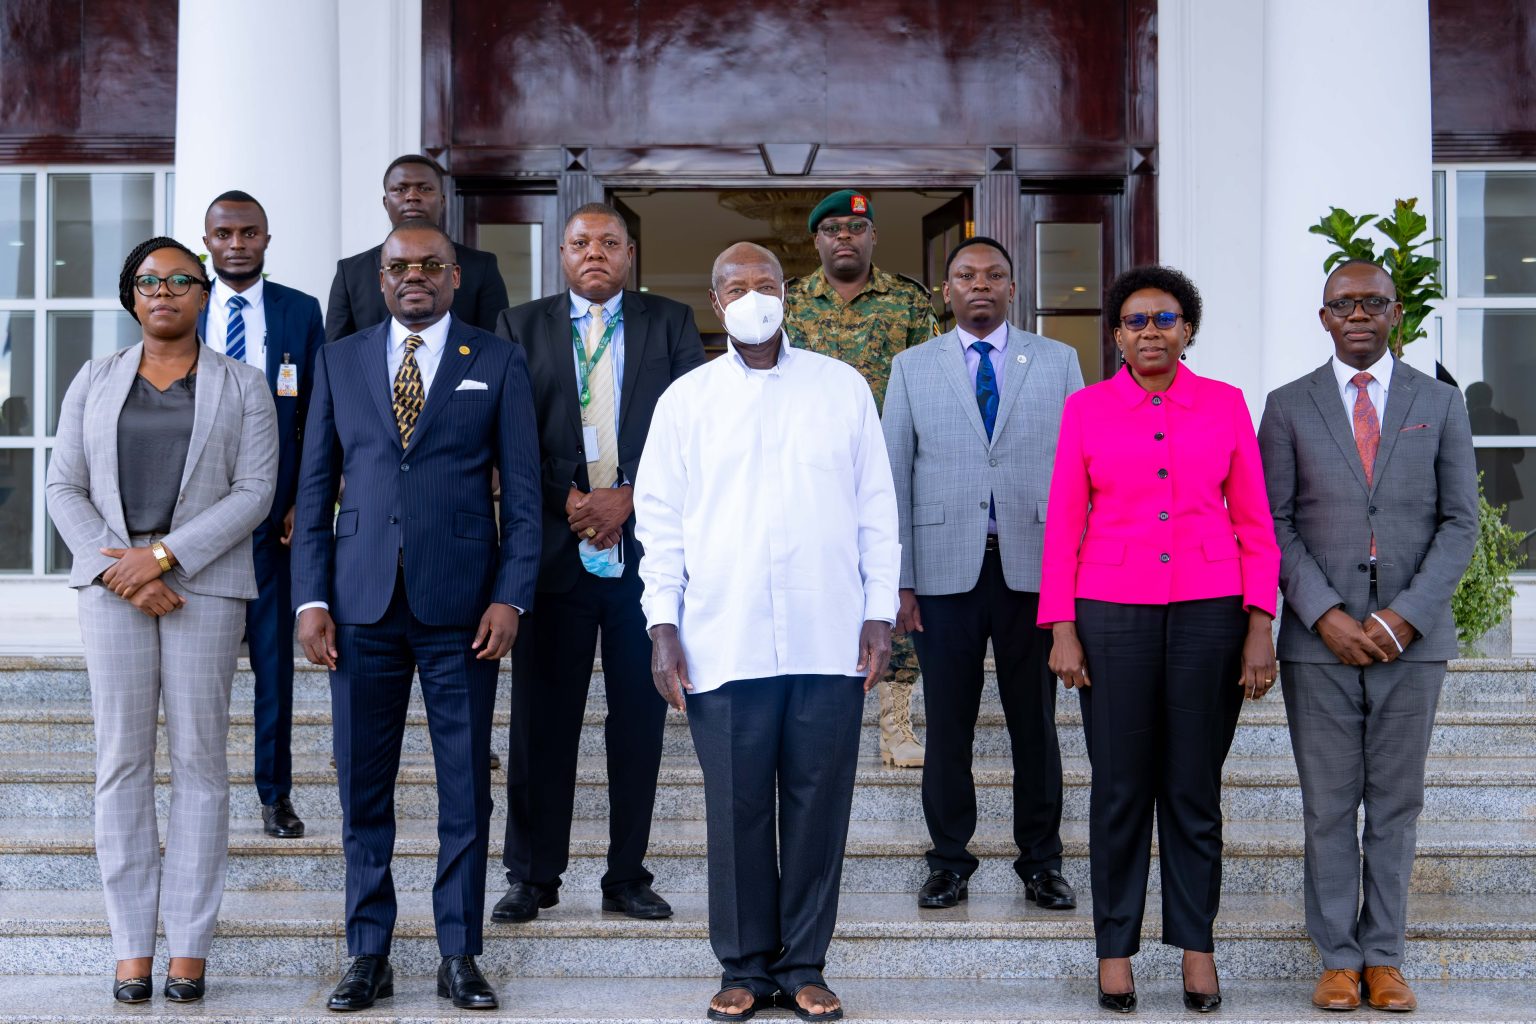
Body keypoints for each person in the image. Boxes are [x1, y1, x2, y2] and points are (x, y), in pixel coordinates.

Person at [634, 242, 899, 1023]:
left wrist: (878, 610)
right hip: (725, 637)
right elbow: (661, 523)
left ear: (789, 295)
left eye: (767, 283)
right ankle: (745, 966)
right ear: (715, 304)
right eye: (736, 285)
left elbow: (874, 507)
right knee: (738, 807)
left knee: (819, 805)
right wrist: (662, 624)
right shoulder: (686, 400)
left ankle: (805, 964)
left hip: (829, 637)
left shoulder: (840, 387)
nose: (754, 295)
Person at [291, 221, 541, 1012]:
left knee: (466, 791)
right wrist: (312, 597)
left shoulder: (495, 359)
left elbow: (527, 499)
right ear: (380, 276)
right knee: (364, 788)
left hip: (463, 610)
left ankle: (459, 953)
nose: (415, 277)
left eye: (431, 265)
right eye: (400, 266)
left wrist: (512, 594)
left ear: (456, 275)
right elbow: (314, 489)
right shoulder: (340, 359)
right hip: (361, 608)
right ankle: (368, 952)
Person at [1040, 265, 1280, 1013]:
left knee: (1192, 791)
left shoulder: (1226, 405)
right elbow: (1064, 524)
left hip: (1211, 613)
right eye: (1136, 320)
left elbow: (1254, 523)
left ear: (1188, 329)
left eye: (1165, 318)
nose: (1151, 331)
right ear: (1115, 334)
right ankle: (1115, 950)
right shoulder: (1086, 409)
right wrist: (1062, 630)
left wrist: (1259, 627)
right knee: (1118, 791)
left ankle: (1197, 949)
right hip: (1111, 614)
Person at [45, 236, 277, 1004]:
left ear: (205, 294)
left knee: (202, 769)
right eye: (151, 282)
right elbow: (62, 487)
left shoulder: (243, 385)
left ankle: (190, 948)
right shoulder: (94, 378)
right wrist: (124, 569)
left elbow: (254, 493)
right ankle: (131, 947)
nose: (166, 292)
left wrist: (165, 557)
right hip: (114, 592)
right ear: (131, 296)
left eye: (183, 280)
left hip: (203, 589)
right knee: (121, 765)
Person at [1258, 259, 1478, 1013]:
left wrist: (1403, 616)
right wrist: (1324, 613)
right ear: (1323, 317)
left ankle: (1384, 956)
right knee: (1327, 805)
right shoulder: (1286, 407)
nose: (1357, 314)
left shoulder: (1440, 403)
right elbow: (1272, 523)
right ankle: (1337, 959)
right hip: (1320, 640)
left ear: (1395, 313)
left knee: (1395, 804)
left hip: (1412, 642)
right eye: (1342, 304)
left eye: (1372, 303)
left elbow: (1460, 523)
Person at [490, 202, 705, 924]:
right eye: (581, 243)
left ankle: (627, 876)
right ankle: (532, 875)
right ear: (561, 254)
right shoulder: (520, 327)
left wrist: (626, 498)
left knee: (638, 724)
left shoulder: (669, 323)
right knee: (541, 724)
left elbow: (690, 432)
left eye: (609, 243)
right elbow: (508, 438)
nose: (595, 253)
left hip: (644, 560)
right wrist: (573, 500)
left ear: (630, 253)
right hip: (553, 554)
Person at [882, 235, 1083, 914]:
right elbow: (892, 478)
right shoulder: (912, 367)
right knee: (948, 725)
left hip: (1036, 567)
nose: (980, 285)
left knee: (1036, 725)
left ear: (1012, 289)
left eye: (994, 275)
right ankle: (948, 862)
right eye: (966, 275)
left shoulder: (1058, 362)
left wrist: (1075, 577)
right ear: (947, 290)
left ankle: (1042, 862)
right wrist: (899, 581)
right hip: (943, 575)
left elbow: (1080, 474)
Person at [785, 188, 936, 768]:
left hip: (888, 467)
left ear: (873, 236)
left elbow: (927, 381)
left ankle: (895, 721)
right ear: (816, 240)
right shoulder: (791, 303)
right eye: (832, 230)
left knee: (891, 589)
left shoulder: (908, 302)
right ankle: (812, 713)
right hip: (810, 473)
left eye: (855, 228)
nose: (843, 238)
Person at [198, 190, 324, 839]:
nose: (238, 243)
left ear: (267, 239)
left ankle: (275, 795)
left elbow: (316, 416)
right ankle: (201, 799)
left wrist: (308, 499)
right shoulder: (183, 309)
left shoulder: (299, 312)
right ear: (207, 239)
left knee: (273, 670)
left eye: (250, 232)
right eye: (225, 232)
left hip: (273, 525)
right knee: (200, 675)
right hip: (195, 531)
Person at [325, 154, 509, 342]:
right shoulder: (351, 272)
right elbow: (336, 358)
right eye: (400, 189)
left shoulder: (482, 266)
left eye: (425, 188)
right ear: (386, 202)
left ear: (442, 201)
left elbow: (496, 349)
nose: (412, 196)